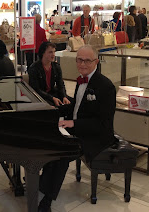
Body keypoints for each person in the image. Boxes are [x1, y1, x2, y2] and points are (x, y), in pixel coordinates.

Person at [38, 45, 117, 212]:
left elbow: (103, 124)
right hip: (81, 127)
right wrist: (57, 111)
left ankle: (47, 200)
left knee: (63, 153)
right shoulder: (82, 79)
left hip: (97, 135)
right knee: (52, 141)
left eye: (87, 60)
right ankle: (42, 185)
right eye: (79, 60)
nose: (82, 64)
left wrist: (74, 124)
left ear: (96, 61)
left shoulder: (105, 86)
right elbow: (77, 108)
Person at [28, 42, 69, 107]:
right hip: (41, 96)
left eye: (54, 52)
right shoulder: (34, 68)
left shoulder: (56, 66)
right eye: (50, 52)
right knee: (51, 108)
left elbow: (60, 84)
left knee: (71, 103)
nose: (53, 55)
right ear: (43, 53)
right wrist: (52, 98)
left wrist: (64, 96)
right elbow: (36, 89)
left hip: (52, 93)